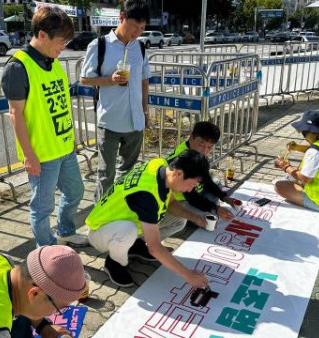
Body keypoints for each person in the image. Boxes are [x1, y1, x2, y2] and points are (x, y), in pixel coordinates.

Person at [2, 6, 87, 247]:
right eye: (61, 41)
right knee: (42, 207)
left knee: (75, 192)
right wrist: (29, 156)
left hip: (64, 148)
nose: (63, 47)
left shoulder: (53, 61)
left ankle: (66, 230)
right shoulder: (18, 68)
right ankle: (46, 251)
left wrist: (71, 140)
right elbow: (15, 115)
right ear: (41, 35)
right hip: (42, 155)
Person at [86, 150, 211, 288]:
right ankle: (114, 263)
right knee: (129, 231)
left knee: (179, 220)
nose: (189, 190)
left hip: (122, 221)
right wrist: (189, 275)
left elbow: (172, 204)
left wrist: (197, 218)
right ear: (179, 174)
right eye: (191, 185)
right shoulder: (147, 194)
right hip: (100, 231)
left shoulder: (161, 166)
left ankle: (134, 245)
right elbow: (155, 248)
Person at [80, 0, 151, 199]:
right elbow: (85, 79)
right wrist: (110, 80)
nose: (137, 32)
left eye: (142, 28)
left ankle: (119, 210)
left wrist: (145, 112)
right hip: (110, 121)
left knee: (128, 173)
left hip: (135, 122)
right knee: (106, 174)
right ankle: (100, 218)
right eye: (134, 26)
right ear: (121, 18)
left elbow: (144, 82)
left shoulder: (141, 48)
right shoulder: (99, 45)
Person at [166, 121, 236, 221]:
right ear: (191, 138)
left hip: (195, 192)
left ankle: (209, 206)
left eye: (209, 147)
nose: (204, 151)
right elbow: (191, 196)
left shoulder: (194, 152)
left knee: (216, 182)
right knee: (205, 215)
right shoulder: (184, 160)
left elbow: (206, 180)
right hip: (180, 200)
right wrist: (215, 209)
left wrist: (224, 197)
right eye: (201, 145)